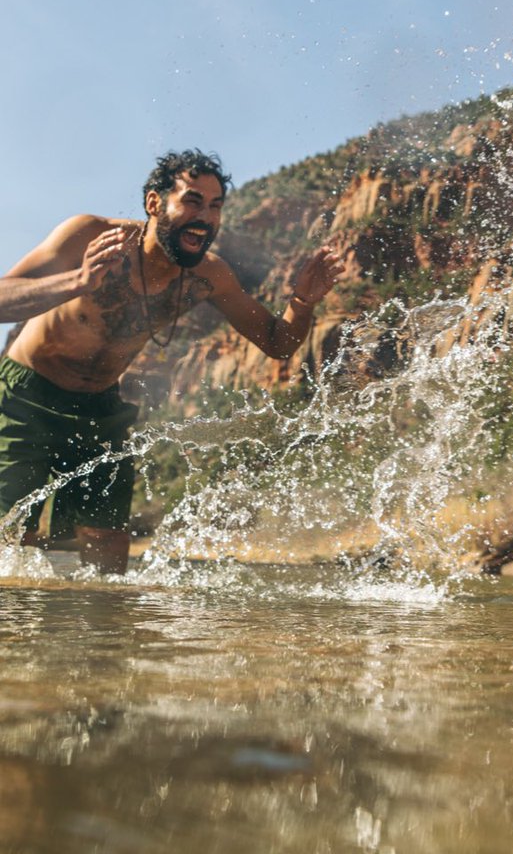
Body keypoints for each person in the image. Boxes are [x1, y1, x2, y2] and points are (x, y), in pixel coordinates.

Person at [0, 149, 344, 574]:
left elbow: (278, 342)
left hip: (99, 408)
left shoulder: (209, 277)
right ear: (154, 203)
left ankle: (100, 619)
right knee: (12, 534)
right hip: (24, 395)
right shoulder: (90, 235)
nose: (205, 217)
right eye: (192, 201)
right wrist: (78, 280)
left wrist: (303, 301)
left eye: (215, 206)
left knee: (108, 542)